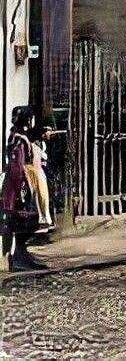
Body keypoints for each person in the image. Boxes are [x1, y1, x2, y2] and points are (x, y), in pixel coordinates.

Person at [1, 107, 45, 271]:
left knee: (15, 221)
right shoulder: (20, 140)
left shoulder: (15, 136)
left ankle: (16, 255)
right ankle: (18, 256)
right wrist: (23, 188)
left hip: (13, 184)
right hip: (18, 184)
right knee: (23, 220)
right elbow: (18, 165)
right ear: (28, 120)